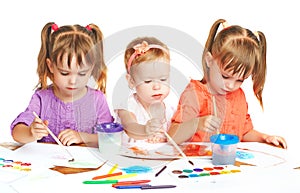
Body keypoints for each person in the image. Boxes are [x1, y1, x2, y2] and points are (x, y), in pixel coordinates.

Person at [168, 19, 287, 149]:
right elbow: (172, 136)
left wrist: (264, 138)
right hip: (197, 164)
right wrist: (197, 123)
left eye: (240, 80)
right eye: (225, 76)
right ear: (209, 60)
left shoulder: (238, 96)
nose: (231, 85)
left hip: (227, 165)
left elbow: (243, 132)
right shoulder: (195, 94)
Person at [10, 22, 113, 147]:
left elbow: (110, 140)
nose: (73, 81)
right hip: (47, 165)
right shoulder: (42, 98)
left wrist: (82, 137)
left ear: (92, 68)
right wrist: (31, 132)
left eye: (82, 74)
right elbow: (17, 133)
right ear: (51, 66)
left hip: (84, 165)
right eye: (64, 73)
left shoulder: (97, 100)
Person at [114, 37, 175, 144]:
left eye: (163, 79)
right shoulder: (127, 106)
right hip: (128, 158)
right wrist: (145, 130)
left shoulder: (170, 111)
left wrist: (166, 139)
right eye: (147, 81)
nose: (157, 86)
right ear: (132, 81)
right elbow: (130, 127)